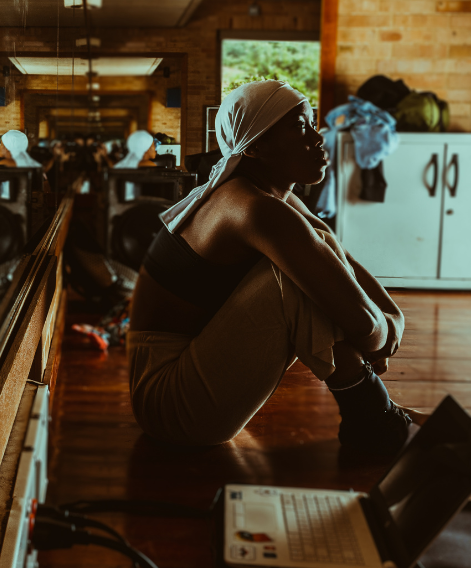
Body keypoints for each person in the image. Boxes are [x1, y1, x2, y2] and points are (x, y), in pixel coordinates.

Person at [128, 80, 424, 453]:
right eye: (301, 127)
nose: (318, 138)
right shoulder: (253, 208)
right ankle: (375, 418)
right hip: (168, 404)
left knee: (316, 253)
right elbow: (366, 327)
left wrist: (393, 318)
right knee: (294, 278)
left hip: (186, 378)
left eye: (313, 123)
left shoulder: (271, 196)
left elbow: (341, 259)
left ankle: (373, 410)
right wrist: (380, 333)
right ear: (255, 148)